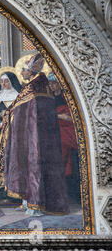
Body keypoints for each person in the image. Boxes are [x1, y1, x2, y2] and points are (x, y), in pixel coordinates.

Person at [0, 54, 69, 216]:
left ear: (31, 72)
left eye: (24, 70)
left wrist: (8, 115)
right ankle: (30, 201)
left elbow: (19, 111)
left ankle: (35, 203)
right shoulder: (40, 86)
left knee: (33, 165)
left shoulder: (32, 87)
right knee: (33, 166)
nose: (21, 72)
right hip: (38, 136)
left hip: (30, 137)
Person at [47, 72, 80, 202]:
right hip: (54, 131)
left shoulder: (68, 97)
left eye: (54, 83)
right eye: (50, 84)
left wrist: (57, 115)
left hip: (67, 132)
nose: (52, 86)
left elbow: (71, 118)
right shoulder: (49, 98)